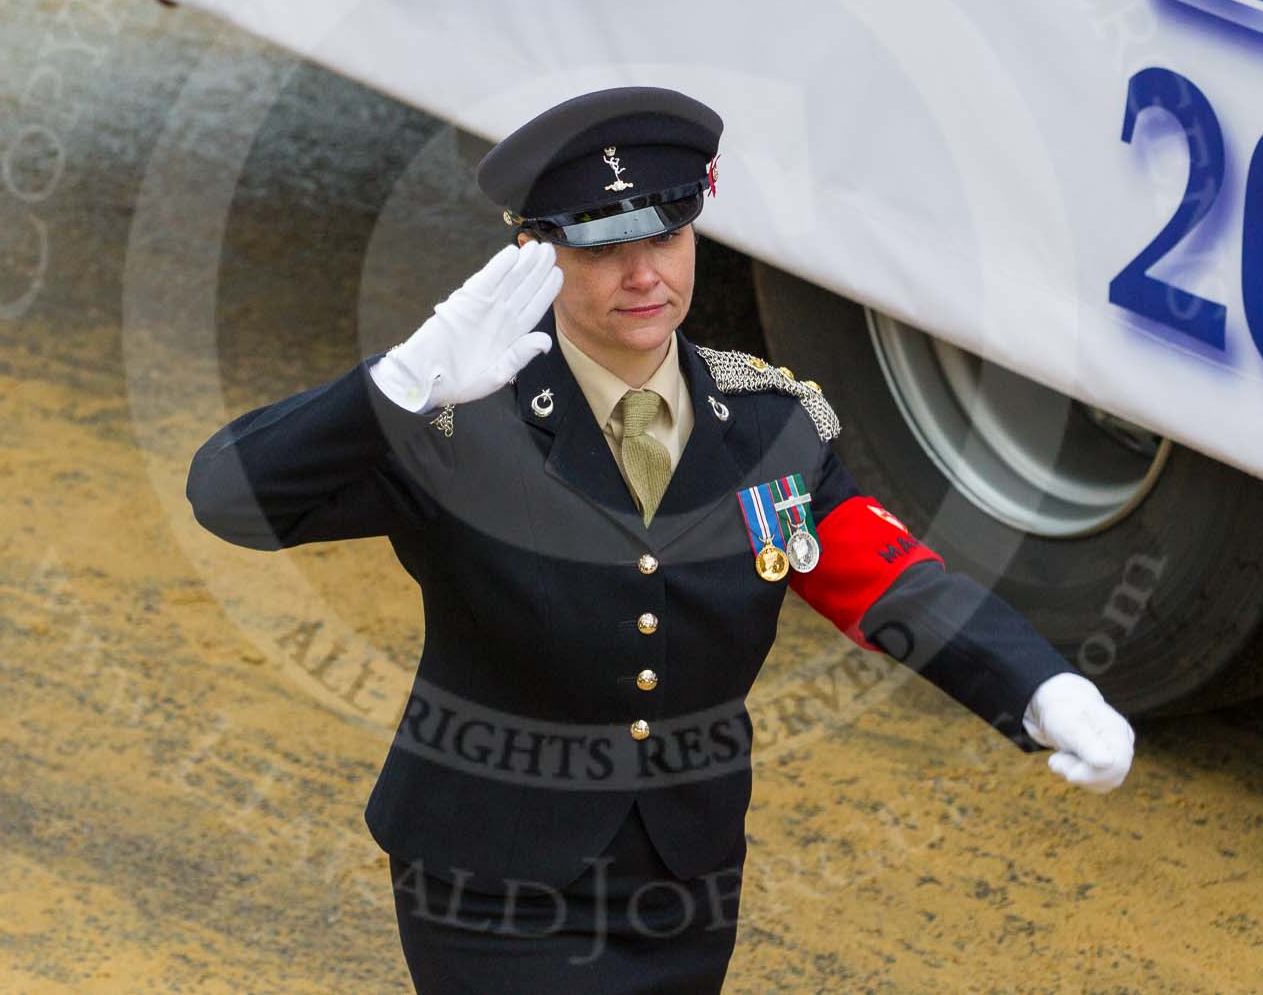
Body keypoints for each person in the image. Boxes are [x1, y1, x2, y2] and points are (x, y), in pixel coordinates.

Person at [185, 85, 1135, 993]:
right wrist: (396, 385)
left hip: (680, 886)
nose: (644, 275)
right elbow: (230, 496)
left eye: (668, 235)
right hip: (489, 880)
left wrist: (1041, 685)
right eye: (603, 247)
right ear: (535, 251)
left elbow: (886, 580)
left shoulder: (770, 427)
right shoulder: (458, 421)